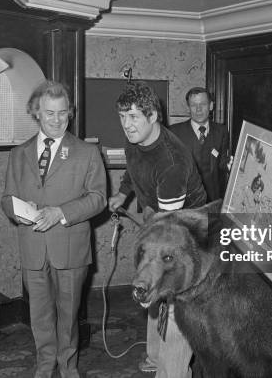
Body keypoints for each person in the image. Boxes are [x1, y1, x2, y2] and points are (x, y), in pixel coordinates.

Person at [1, 80, 106, 378]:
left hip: (70, 247)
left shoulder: (86, 152)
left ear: (70, 113)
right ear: (36, 113)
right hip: (33, 246)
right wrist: (17, 213)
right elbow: (7, 198)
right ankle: (44, 366)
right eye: (49, 113)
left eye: (63, 113)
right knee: (40, 316)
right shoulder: (18, 153)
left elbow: (98, 198)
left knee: (69, 314)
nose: (57, 120)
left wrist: (61, 212)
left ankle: (68, 366)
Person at [108, 81, 206, 378]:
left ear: (153, 117)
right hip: (159, 216)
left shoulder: (171, 161)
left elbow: (170, 234)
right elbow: (133, 167)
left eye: (134, 117)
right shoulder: (135, 139)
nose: (127, 125)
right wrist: (123, 194)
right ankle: (154, 360)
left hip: (186, 231)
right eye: (123, 116)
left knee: (176, 306)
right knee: (151, 290)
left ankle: (171, 373)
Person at [169, 87, 230, 201]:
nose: (198, 109)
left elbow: (222, 166)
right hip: (186, 201)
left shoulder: (221, 131)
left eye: (203, 104)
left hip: (213, 200)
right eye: (193, 105)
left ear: (211, 106)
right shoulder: (174, 132)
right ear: (188, 108)